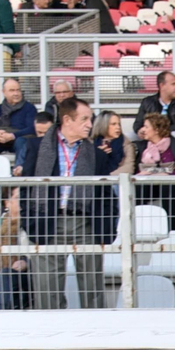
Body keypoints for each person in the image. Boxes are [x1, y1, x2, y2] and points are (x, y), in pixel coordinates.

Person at [22, 97, 114, 310]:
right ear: (67, 120)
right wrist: (30, 222)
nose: (90, 125)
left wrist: (106, 229)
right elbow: (26, 188)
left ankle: (95, 333)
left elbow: (108, 195)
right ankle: (52, 336)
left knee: (92, 288)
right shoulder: (36, 147)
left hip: (86, 223)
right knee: (48, 289)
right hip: (48, 222)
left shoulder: (97, 154)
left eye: (90, 119)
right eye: (84, 119)